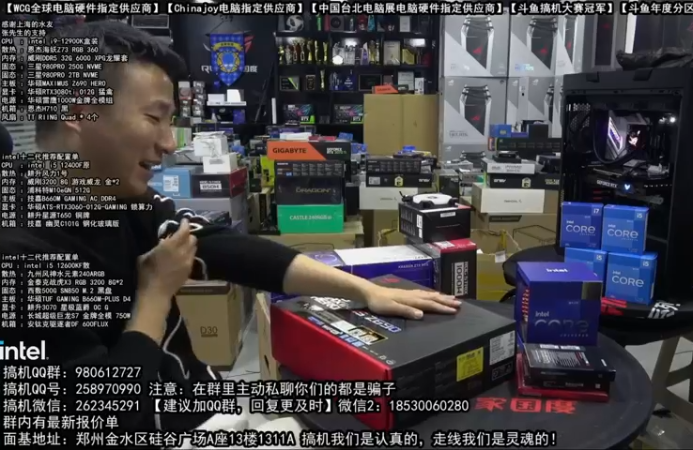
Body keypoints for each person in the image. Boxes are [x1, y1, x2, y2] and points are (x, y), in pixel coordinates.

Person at [0, 21, 461, 437]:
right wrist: (155, 296)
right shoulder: (19, 254)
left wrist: (364, 290)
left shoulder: (121, 196)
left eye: (171, 121)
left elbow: (227, 249)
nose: (168, 143)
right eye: (154, 118)